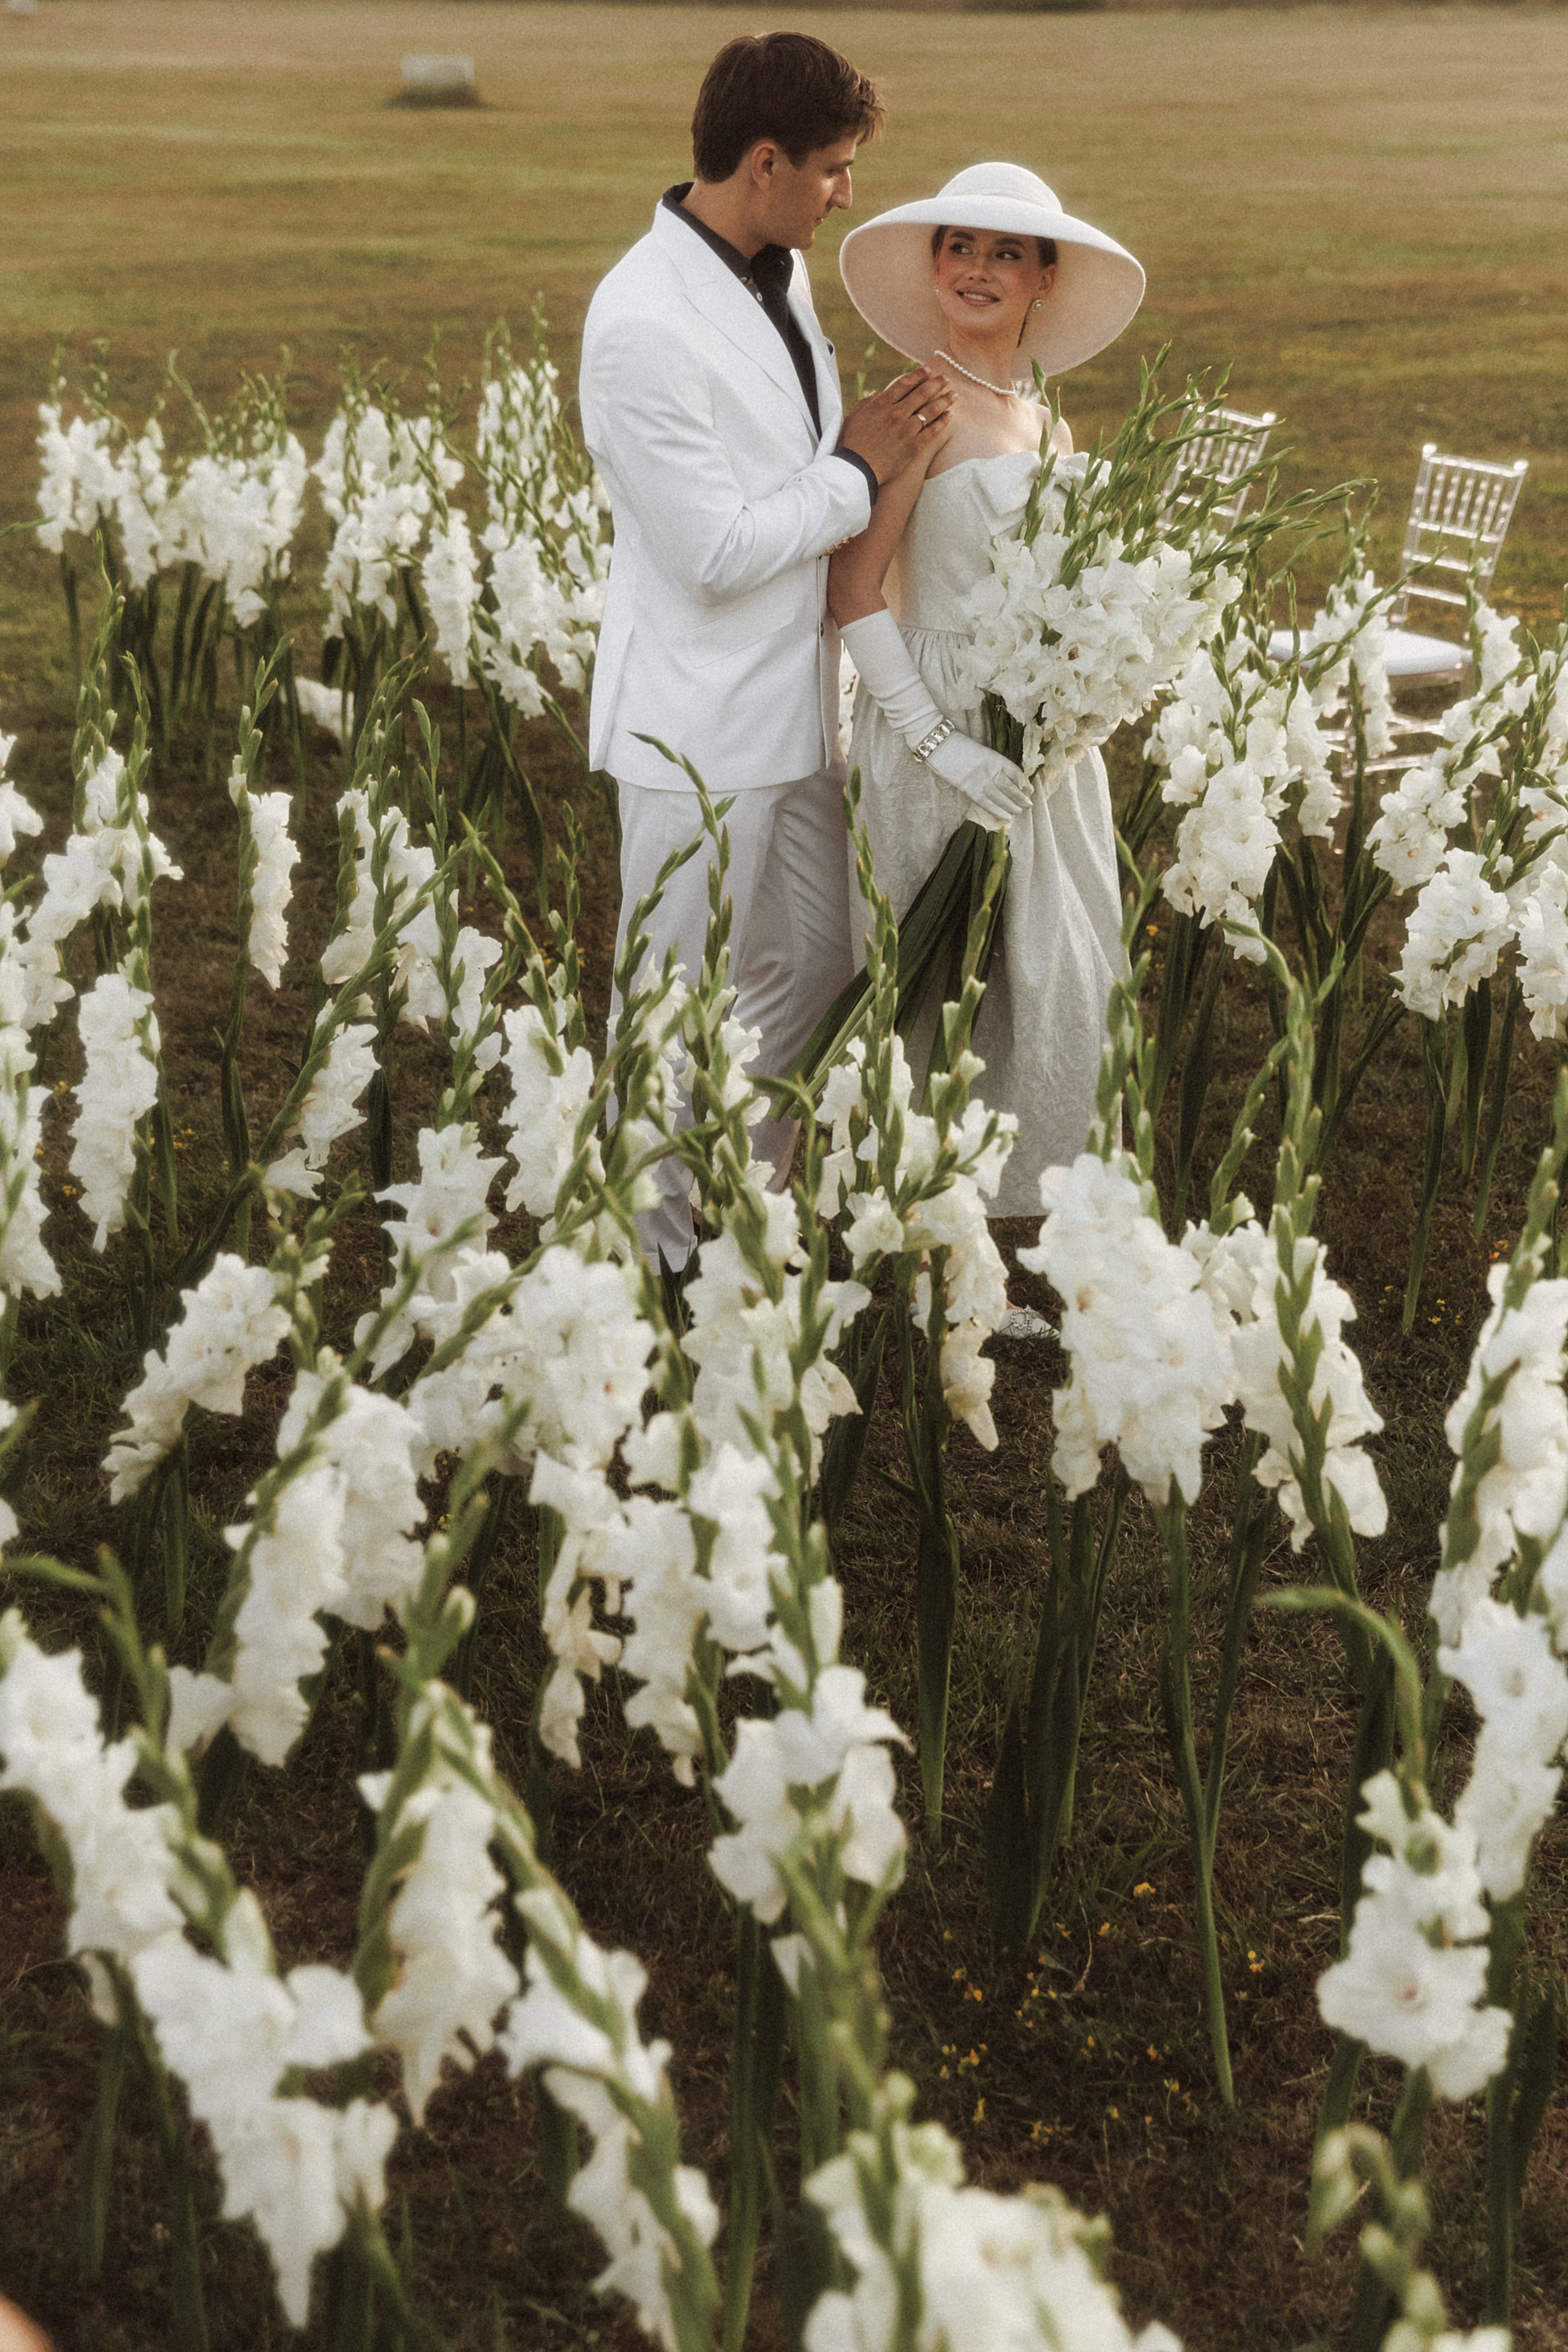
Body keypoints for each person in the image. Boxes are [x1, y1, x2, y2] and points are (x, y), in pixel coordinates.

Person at [579, 32, 955, 1270]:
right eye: (834, 168)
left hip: (799, 705)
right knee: (670, 1000)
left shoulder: (774, 271)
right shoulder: (640, 322)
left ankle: (739, 1199)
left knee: (814, 965)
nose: (846, 191)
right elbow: (713, 552)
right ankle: (653, 1261)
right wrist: (858, 468)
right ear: (762, 161)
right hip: (694, 726)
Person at [829, 162, 1145, 1218]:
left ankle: (999, 1219)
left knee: (1044, 980)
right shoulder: (916, 404)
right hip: (938, 726)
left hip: (1035, 737)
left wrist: (1078, 693)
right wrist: (937, 743)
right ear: (931, 264)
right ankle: (907, 1223)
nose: (978, 269)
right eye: (959, 246)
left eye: (1006, 252)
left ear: (1044, 278)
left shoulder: (1049, 425)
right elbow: (852, 589)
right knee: (936, 983)